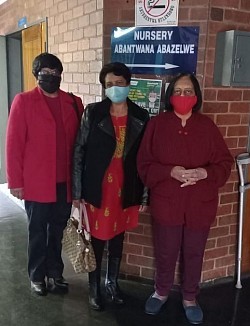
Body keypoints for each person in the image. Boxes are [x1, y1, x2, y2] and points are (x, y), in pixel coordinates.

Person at [137, 72, 233, 324]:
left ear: (196, 96)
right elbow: (144, 163)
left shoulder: (207, 126)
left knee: (194, 252)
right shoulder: (157, 125)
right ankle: (161, 291)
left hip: (199, 204)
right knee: (166, 250)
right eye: (178, 91)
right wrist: (171, 171)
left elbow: (224, 163)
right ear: (170, 96)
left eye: (188, 91)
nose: (183, 96)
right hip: (167, 202)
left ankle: (190, 297)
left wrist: (204, 172)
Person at [72, 62, 150, 311]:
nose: (114, 88)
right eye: (109, 84)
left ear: (128, 84)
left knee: (118, 237)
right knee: (96, 241)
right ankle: (94, 289)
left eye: (119, 83)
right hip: (98, 187)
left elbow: (146, 159)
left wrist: (145, 196)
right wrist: (77, 192)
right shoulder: (93, 113)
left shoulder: (141, 116)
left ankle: (111, 283)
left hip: (127, 187)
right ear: (103, 87)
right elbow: (79, 151)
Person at [5, 52, 84, 296]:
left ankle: (55, 273)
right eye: (45, 72)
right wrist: (15, 182)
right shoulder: (24, 101)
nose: (50, 76)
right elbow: (13, 144)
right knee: (37, 231)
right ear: (36, 74)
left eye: (55, 72)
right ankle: (37, 275)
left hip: (65, 182)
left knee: (58, 231)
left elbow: (81, 144)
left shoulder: (73, 102)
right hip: (37, 183)